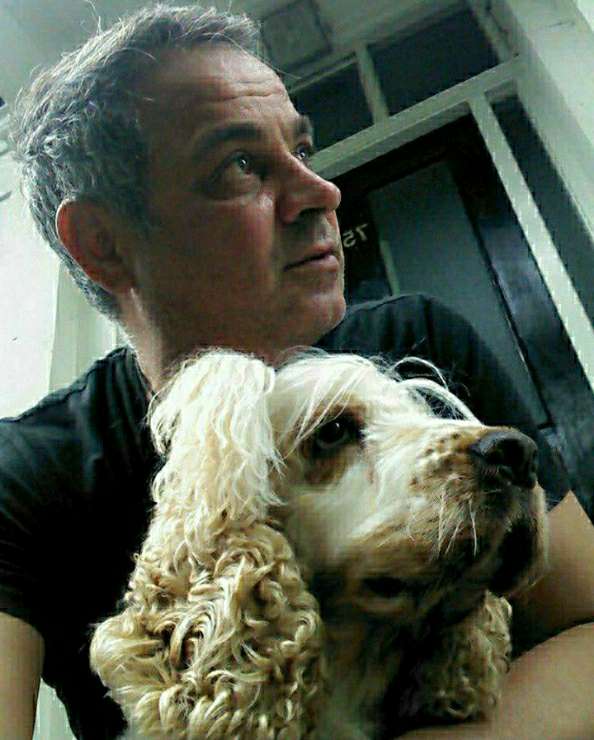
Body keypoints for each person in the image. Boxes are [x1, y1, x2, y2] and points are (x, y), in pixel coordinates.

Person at [1, 4, 593, 739]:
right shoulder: (29, 476)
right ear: (104, 243)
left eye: (303, 149)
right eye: (240, 166)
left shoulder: (420, 339)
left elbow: (587, 628)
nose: (323, 191)